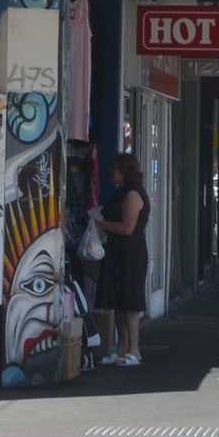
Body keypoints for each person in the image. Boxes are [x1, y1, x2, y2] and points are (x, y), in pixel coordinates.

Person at [91, 153, 150, 367]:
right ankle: (122, 347)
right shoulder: (120, 192)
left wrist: (99, 224)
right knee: (117, 300)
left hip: (130, 253)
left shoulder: (133, 194)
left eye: (115, 168)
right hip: (117, 251)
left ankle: (134, 350)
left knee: (130, 301)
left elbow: (128, 228)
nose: (111, 172)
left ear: (124, 170)